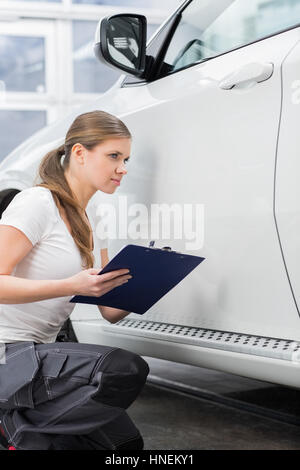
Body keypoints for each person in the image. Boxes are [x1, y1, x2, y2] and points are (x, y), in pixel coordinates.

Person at [0, 110, 150, 450]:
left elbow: (109, 310)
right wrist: (72, 285)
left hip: (39, 355)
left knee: (125, 446)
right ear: (80, 153)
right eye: (114, 156)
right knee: (122, 369)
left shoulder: (95, 218)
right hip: (7, 355)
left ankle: (23, 429)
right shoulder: (37, 202)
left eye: (125, 159)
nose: (122, 168)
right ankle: (15, 428)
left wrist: (149, 281)